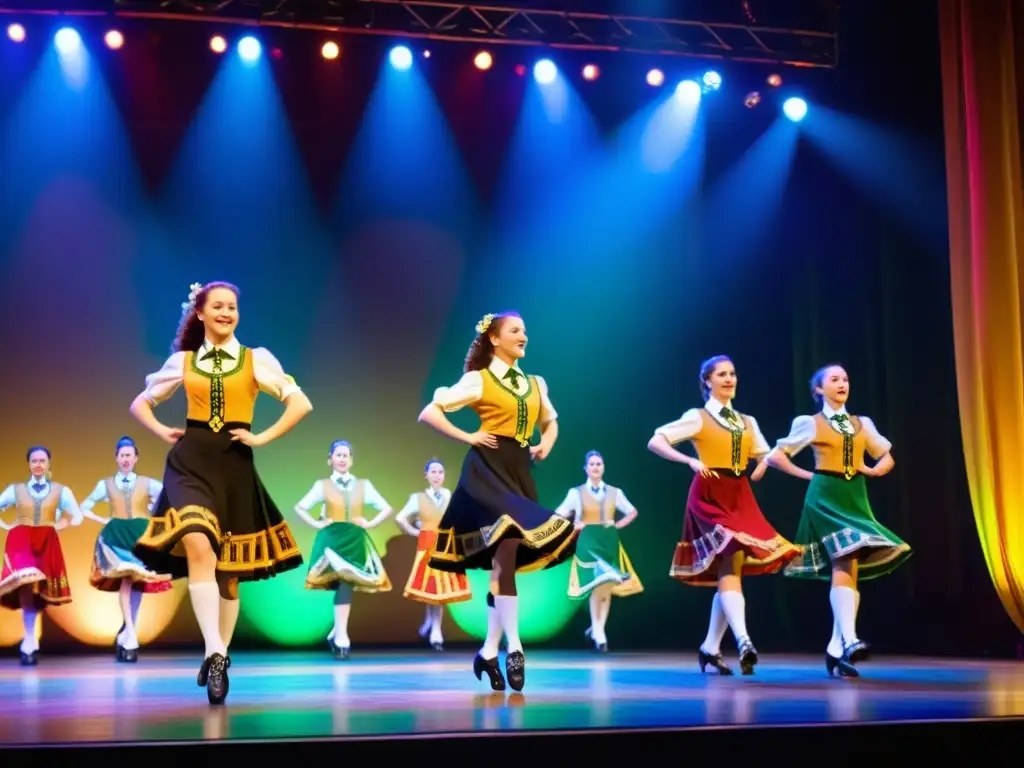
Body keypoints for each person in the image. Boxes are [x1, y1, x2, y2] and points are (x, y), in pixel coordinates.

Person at [129, 281, 311, 704]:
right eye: (218, 306)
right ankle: (214, 650)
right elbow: (141, 403)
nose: (227, 313)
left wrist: (262, 437)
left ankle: (219, 654)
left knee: (229, 572)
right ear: (201, 313)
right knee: (198, 543)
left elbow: (299, 402)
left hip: (233, 466)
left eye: (232, 307)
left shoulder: (256, 359)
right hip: (190, 461)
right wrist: (160, 430)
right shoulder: (183, 361)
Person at [417, 311, 576, 692]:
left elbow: (551, 421)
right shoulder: (479, 380)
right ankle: (515, 647)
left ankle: (489, 651)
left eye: (525, 329)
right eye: (515, 330)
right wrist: (468, 437)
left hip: (519, 473)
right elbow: (429, 411)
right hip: (486, 474)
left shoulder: (535, 383)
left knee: (505, 561)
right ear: (494, 339)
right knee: (505, 550)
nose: (524, 335)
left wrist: (544, 446)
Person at [647, 355, 800, 676]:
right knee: (730, 551)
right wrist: (687, 460)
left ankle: (710, 648)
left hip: (738, 494)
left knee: (731, 568)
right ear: (708, 381)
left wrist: (759, 468)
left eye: (732, 374)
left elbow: (765, 454)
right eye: (721, 374)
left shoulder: (747, 421)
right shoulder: (698, 417)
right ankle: (744, 640)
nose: (729, 379)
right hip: (709, 493)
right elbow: (656, 440)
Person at [766, 363, 911, 677]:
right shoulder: (810, 422)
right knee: (844, 560)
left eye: (845, 378)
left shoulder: (862, 423)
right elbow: (777, 456)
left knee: (850, 568)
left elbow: (886, 455)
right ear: (819, 389)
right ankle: (849, 638)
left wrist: (873, 469)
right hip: (825, 498)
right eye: (834, 380)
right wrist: (811, 476)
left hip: (855, 497)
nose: (842, 383)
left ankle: (836, 649)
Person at [295, 439, 393, 660]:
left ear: (351, 460)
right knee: (342, 582)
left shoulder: (363, 485)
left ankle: (337, 634)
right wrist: (317, 523)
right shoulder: (322, 485)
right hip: (331, 540)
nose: (342, 459)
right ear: (330, 460)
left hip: (354, 539)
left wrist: (369, 523)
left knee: (346, 583)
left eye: (346, 455)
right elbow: (300, 507)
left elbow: (385, 507)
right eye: (338, 455)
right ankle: (341, 637)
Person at [81, 435, 172, 663]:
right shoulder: (106, 484)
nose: (125, 459)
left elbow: (166, 498)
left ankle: (127, 631)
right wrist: (105, 520)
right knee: (127, 579)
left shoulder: (147, 482)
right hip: (117, 535)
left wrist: (153, 511)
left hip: (140, 535)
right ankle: (130, 633)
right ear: (116, 458)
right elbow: (85, 506)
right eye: (121, 455)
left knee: (138, 581)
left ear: (135, 458)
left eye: (129, 455)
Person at [0, 446, 82, 666]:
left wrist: (59, 525)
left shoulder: (60, 490)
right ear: (29, 464)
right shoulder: (15, 490)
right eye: (34, 460)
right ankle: (28, 639)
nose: (38, 464)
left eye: (42, 460)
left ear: (48, 464)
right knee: (26, 582)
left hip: (46, 540)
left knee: (43, 589)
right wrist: (7, 526)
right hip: (21, 540)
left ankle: (32, 639)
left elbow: (77, 516)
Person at [556, 450, 642, 653]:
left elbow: (632, 511)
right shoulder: (575, 493)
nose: (595, 467)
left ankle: (597, 629)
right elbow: (559, 514)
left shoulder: (615, 492)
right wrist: (575, 525)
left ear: (603, 467)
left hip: (608, 540)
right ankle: (598, 632)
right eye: (592, 464)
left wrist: (617, 525)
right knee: (599, 582)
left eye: (599, 464)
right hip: (587, 542)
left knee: (607, 585)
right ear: (586, 468)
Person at [395, 458, 472, 651]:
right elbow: (400, 517)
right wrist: (415, 531)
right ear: (426, 475)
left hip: (446, 546)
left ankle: (434, 627)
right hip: (427, 545)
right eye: (433, 472)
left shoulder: (449, 496)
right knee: (431, 588)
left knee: (441, 589)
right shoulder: (418, 498)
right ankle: (433, 626)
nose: (437, 476)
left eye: (440, 472)